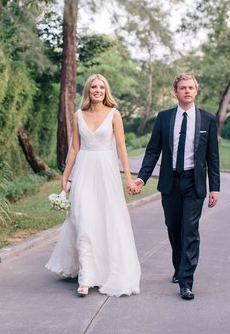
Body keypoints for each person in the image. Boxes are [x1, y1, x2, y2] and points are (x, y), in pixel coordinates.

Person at [45, 74, 141, 297]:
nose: (97, 90)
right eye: (93, 87)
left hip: (106, 174)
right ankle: (86, 277)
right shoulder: (78, 115)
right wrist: (65, 176)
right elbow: (74, 149)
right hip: (84, 173)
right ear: (87, 91)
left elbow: (122, 149)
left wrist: (128, 177)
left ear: (106, 91)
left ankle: (107, 269)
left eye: (101, 87)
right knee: (83, 220)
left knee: (107, 221)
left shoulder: (114, 115)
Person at [132, 73, 220, 300]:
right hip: (170, 182)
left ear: (196, 91)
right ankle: (179, 266)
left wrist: (215, 188)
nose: (187, 91)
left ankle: (186, 281)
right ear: (175, 92)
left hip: (194, 183)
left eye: (191, 87)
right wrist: (142, 177)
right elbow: (153, 150)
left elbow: (213, 156)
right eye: (183, 88)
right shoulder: (164, 118)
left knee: (190, 229)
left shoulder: (207, 120)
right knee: (173, 227)